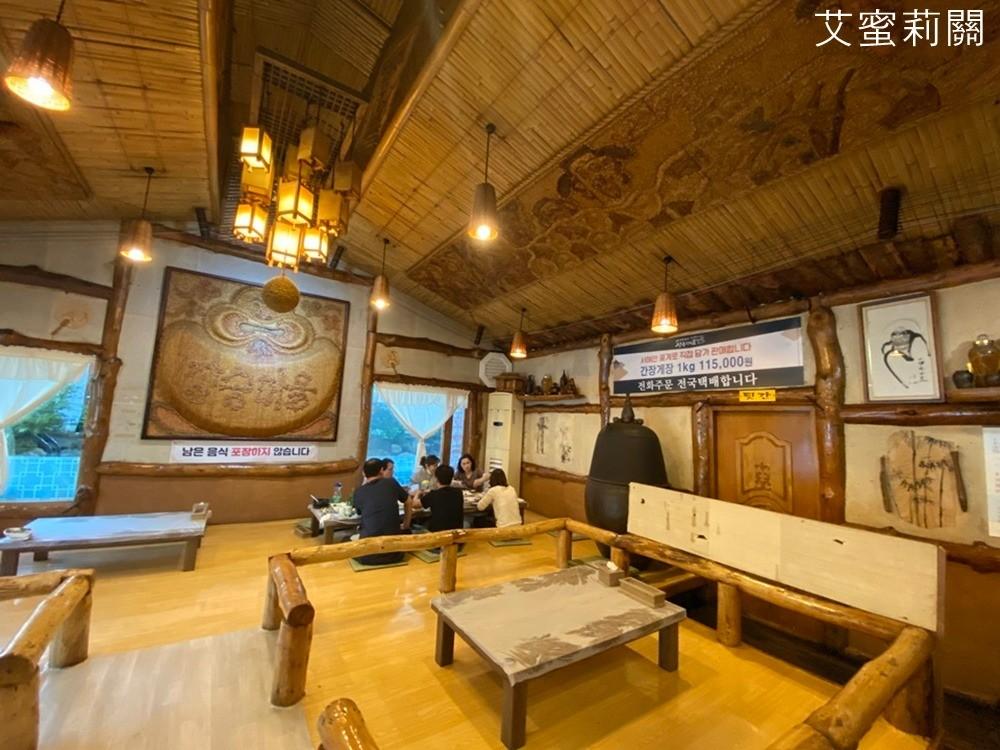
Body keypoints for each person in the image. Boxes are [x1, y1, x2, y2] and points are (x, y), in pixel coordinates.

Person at [353, 458, 414, 566]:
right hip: (395, 554)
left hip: (367, 556)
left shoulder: (359, 492)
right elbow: (409, 501)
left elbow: (359, 512)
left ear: (364, 473)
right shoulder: (391, 483)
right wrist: (406, 525)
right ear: (381, 470)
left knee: (346, 539)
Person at [416, 464, 465, 536]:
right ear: (451, 478)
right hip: (456, 534)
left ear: (436, 479)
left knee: (416, 525)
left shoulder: (433, 494)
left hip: (438, 535)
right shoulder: (459, 492)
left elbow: (415, 504)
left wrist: (417, 493)